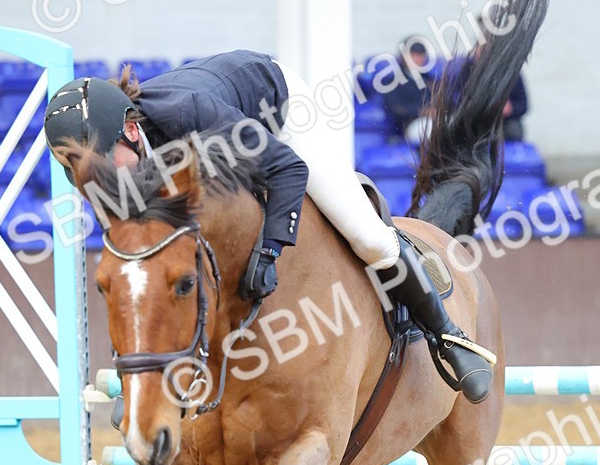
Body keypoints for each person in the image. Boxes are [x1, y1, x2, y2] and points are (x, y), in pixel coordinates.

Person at [44, 50, 493, 403]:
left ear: (131, 130)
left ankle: (448, 335)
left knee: (368, 237)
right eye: (75, 167)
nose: (93, 180)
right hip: (218, 143)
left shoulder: (187, 115)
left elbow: (288, 170)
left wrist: (269, 251)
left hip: (275, 111)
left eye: (100, 161)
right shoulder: (102, 173)